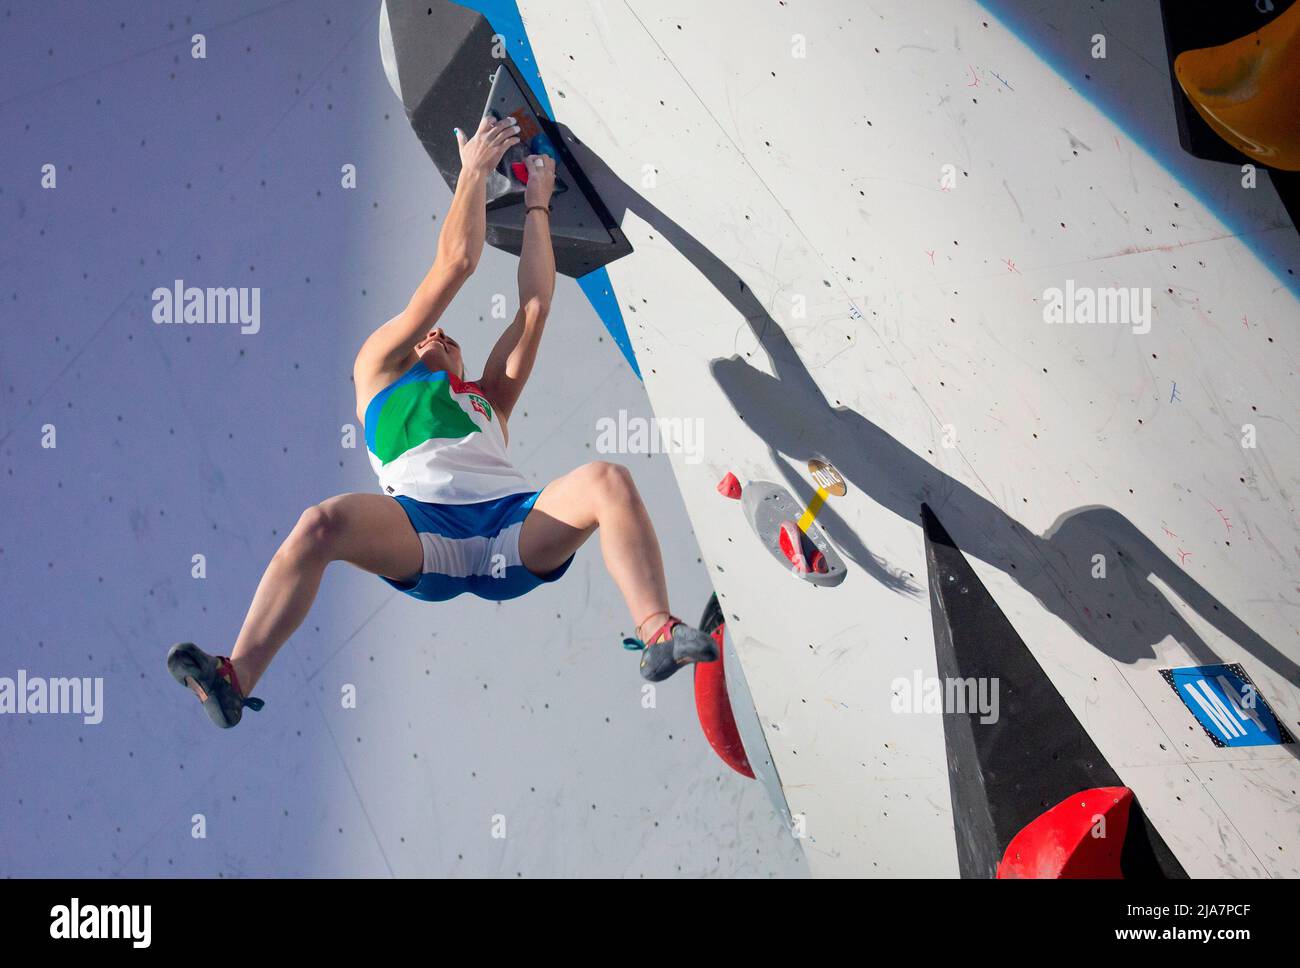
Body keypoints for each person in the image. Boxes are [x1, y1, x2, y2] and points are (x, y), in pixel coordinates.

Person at [167, 115, 717, 729]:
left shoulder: (489, 400)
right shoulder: (378, 366)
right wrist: (474, 173)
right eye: (427, 335)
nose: (438, 334)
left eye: (450, 339)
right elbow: (455, 264)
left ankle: (657, 631)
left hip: (510, 528)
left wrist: (538, 203)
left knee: (606, 482)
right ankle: (236, 676)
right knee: (321, 525)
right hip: (423, 531)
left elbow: (534, 307)